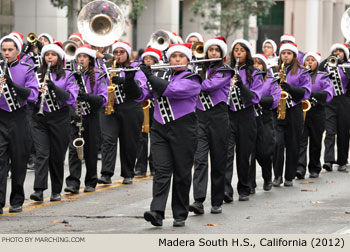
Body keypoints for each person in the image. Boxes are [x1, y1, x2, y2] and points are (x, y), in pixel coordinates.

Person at [126, 43, 201, 227]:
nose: (176, 59)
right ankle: (157, 212)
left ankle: (180, 213)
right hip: (160, 128)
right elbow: (141, 95)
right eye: (173, 56)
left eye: (180, 56)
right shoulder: (160, 76)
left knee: (182, 173)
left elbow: (172, 91)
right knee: (161, 170)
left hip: (184, 128)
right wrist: (129, 81)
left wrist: (149, 75)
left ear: (187, 60)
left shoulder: (193, 78)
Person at [29, 42, 78, 202]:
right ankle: (39, 189)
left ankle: (56, 190)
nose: (49, 57)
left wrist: (53, 88)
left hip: (60, 118)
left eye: (53, 54)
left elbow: (70, 98)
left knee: (57, 156)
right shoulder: (36, 73)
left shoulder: (67, 75)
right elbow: (29, 97)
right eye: (47, 54)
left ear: (59, 57)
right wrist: (37, 94)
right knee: (42, 154)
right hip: (39, 119)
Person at [189, 36, 232, 215]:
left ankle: (217, 201)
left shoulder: (226, 71)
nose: (213, 53)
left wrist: (190, 81)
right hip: (200, 117)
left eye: (216, 50)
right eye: (210, 50)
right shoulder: (198, 69)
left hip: (218, 116)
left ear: (221, 53)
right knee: (199, 160)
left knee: (218, 159)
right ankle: (198, 201)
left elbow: (208, 86)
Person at [0, 35, 38, 214]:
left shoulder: (27, 68)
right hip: (1, 118)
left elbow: (32, 95)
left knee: (18, 161)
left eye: (10, 50)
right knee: (0, 162)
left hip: (20, 118)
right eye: (4, 50)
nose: (6, 53)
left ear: (17, 51)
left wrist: (11, 83)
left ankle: (16, 200)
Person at [98, 41, 144, 185]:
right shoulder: (108, 67)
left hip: (130, 107)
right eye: (116, 52)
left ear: (128, 54)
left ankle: (128, 173)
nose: (118, 55)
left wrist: (125, 81)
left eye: (121, 52)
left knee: (129, 142)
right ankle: (106, 173)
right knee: (108, 140)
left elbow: (139, 89)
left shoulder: (137, 67)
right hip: (111, 107)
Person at [64, 45, 108, 194]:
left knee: (90, 149)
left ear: (90, 59)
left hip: (92, 116)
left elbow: (103, 99)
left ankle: (91, 180)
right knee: (73, 149)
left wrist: (88, 97)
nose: (81, 59)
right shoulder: (71, 75)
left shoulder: (99, 74)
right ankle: (73, 182)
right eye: (79, 57)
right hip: (75, 115)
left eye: (84, 57)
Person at [225, 39, 264, 202]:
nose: (238, 52)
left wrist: (240, 85)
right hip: (228, 114)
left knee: (243, 155)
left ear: (247, 53)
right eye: (236, 50)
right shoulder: (226, 71)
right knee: (226, 154)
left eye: (242, 50)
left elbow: (255, 98)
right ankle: (225, 190)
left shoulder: (255, 73)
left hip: (246, 116)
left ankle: (244, 187)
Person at [273, 42, 311, 187]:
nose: (286, 56)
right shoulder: (275, 70)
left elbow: (306, 92)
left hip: (294, 110)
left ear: (294, 55)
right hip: (278, 111)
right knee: (277, 143)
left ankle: (289, 176)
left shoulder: (302, 71)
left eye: (289, 53)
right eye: (283, 53)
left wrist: (291, 88)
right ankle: (277, 175)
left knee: (293, 144)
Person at [296, 52, 333, 179]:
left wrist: (310, 94)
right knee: (301, 140)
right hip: (302, 112)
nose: (309, 62)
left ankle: (314, 167)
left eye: (312, 60)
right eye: (307, 60)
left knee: (316, 140)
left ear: (317, 63)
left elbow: (328, 93)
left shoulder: (323, 76)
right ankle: (300, 167)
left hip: (318, 112)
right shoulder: (299, 75)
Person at [249, 54, 281, 193]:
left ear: (264, 66)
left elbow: (275, 100)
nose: (256, 66)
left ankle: (267, 177)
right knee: (250, 153)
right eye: (254, 63)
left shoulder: (271, 81)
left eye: (259, 63)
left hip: (265, 119)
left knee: (264, 153)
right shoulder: (247, 80)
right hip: (250, 119)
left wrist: (255, 99)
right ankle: (249, 184)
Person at [319, 43, 350, 172]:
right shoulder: (326, 64)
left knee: (343, 131)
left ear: (345, 54)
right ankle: (328, 160)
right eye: (335, 51)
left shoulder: (347, 66)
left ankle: (342, 161)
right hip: (329, 101)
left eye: (340, 51)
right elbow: (319, 75)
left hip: (344, 100)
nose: (337, 53)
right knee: (330, 131)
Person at [134, 47, 162, 177]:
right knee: (141, 138)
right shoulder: (139, 71)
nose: (148, 60)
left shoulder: (161, 71)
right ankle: (140, 166)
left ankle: (154, 165)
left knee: (156, 137)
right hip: (143, 105)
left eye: (151, 58)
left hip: (156, 106)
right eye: (146, 58)